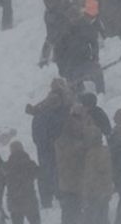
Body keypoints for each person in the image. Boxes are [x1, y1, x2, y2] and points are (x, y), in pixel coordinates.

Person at [25, 78, 72, 210]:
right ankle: (58, 194)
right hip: (52, 146)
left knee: (46, 171)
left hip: (44, 147)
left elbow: (36, 134)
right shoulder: (56, 110)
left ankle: (48, 198)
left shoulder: (41, 113)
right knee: (54, 170)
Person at [55, 104, 96, 224]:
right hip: (73, 184)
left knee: (73, 213)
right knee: (73, 213)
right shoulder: (69, 143)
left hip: (70, 184)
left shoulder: (63, 141)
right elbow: (72, 159)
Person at [41, 0, 77, 66]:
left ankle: (58, 58)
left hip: (65, 12)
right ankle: (43, 60)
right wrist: (58, 6)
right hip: (53, 13)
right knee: (51, 37)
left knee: (64, 36)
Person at [2, 141, 40, 224]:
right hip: (29, 200)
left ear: (11, 151)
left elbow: (1, 182)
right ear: (22, 149)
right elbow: (39, 174)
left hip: (14, 202)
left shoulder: (7, 166)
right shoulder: (30, 164)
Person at [81, 129, 113, 224]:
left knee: (93, 217)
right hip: (105, 189)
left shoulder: (91, 154)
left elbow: (89, 175)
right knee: (103, 215)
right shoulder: (106, 150)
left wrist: (86, 193)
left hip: (94, 192)